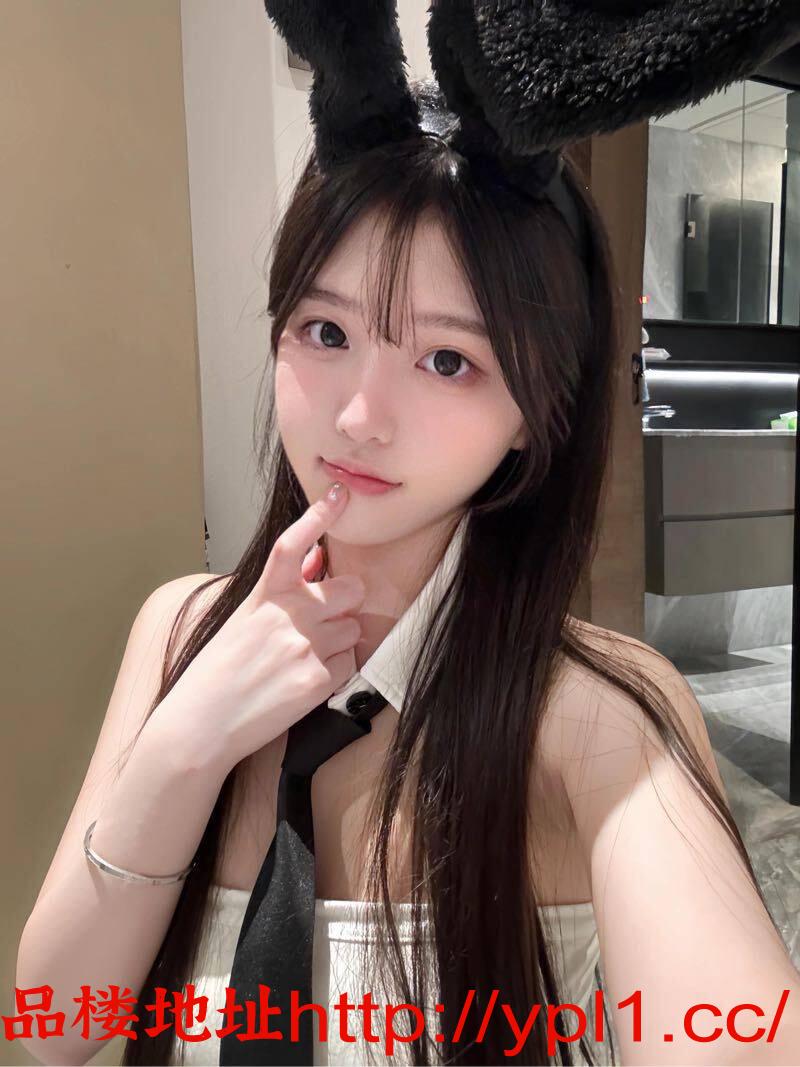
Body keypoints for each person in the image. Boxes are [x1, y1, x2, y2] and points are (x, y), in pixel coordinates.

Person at [16, 2, 800, 1065]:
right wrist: (183, 746)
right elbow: (60, 1028)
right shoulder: (178, 631)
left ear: (532, 410)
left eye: (446, 360)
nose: (357, 416)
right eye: (324, 330)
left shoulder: (590, 715)